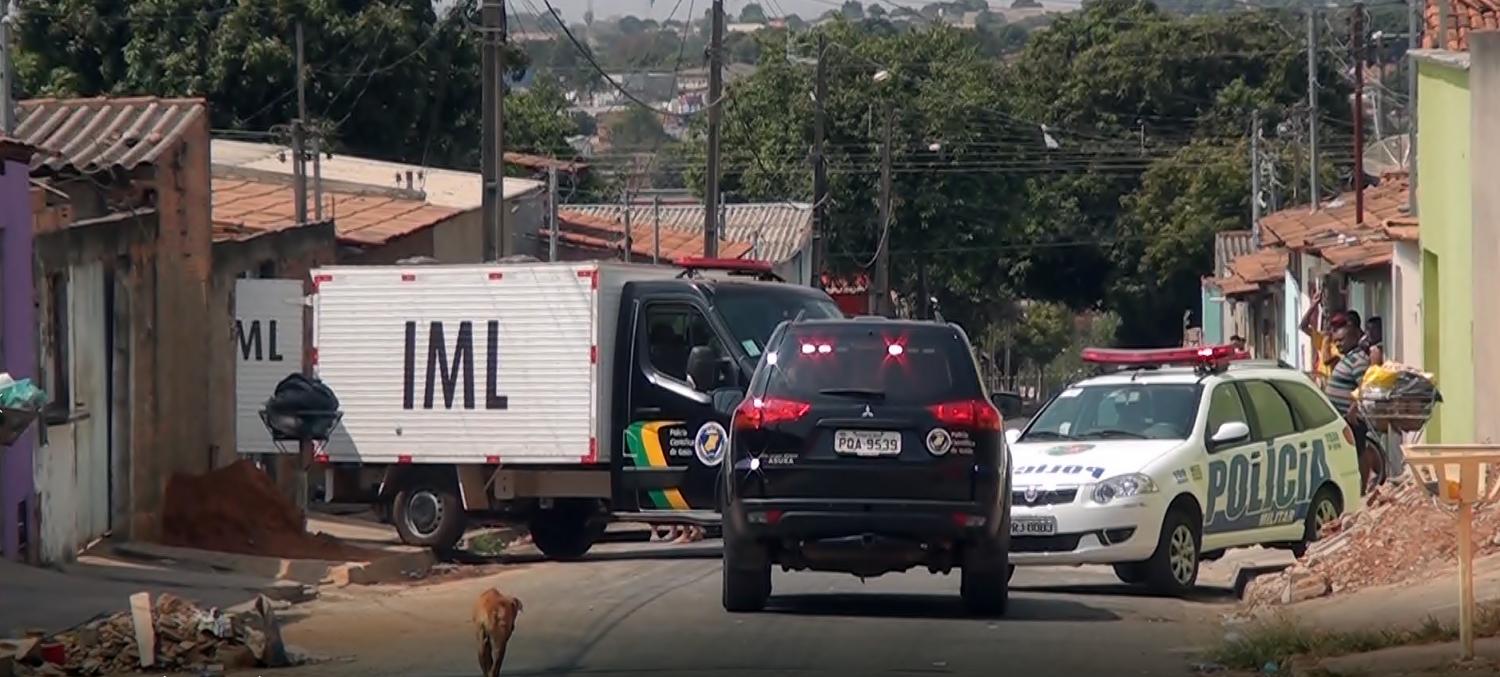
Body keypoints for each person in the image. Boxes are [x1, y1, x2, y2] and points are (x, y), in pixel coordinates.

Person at [1324, 322, 1381, 492]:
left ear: (1354, 337)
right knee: (1354, 451)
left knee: (1359, 451)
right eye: (1336, 341)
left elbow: (1364, 387)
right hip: (1343, 416)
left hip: (1352, 417)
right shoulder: (1349, 358)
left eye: (1342, 339)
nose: (1339, 344)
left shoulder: (1358, 360)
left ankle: (1362, 489)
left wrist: (1354, 408)